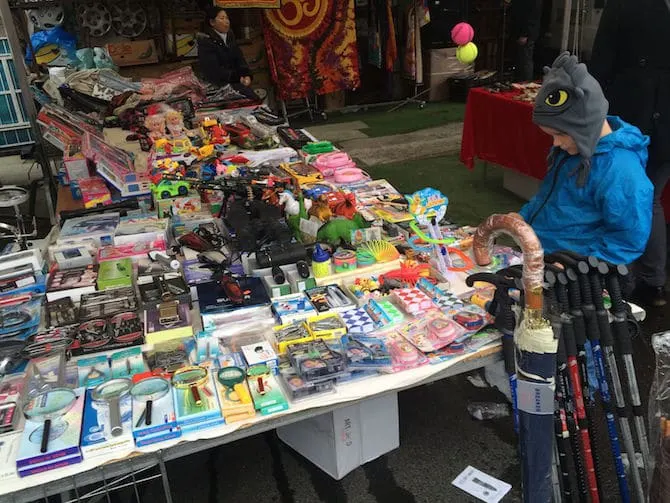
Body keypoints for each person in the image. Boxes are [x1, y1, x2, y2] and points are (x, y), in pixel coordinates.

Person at [513, 52, 653, 269]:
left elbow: (626, 240)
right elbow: (548, 198)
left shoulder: (621, 170)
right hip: (543, 258)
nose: (556, 144)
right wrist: (522, 217)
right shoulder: (572, 151)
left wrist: (578, 266)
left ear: (583, 125)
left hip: (578, 273)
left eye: (560, 134)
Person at [589, 0, 670, 306]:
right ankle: (651, 280)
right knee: (650, 200)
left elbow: (600, 67)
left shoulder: (622, 6)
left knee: (628, 199)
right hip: (661, 122)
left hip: (633, 120)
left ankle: (625, 279)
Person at [197, 7, 257, 100]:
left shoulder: (230, 37)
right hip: (218, 86)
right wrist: (237, 78)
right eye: (222, 18)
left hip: (236, 82)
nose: (226, 21)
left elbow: (239, 59)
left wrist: (247, 75)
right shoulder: (206, 41)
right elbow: (213, 70)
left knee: (254, 100)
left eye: (227, 18)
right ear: (212, 22)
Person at [510, 0, 543, 81]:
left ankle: (525, 82)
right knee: (521, 59)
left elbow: (531, 16)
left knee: (525, 59)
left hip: (526, 32)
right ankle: (520, 81)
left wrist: (525, 34)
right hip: (521, 30)